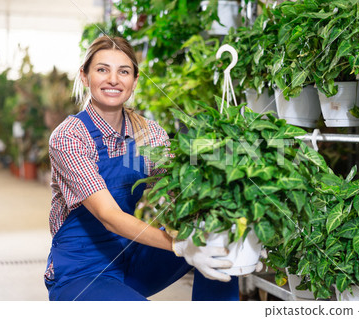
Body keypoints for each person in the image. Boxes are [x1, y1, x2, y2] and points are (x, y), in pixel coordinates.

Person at [44, 36, 240, 301]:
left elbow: (183, 192)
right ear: (85, 76)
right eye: (102, 69)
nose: (113, 79)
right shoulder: (69, 137)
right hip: (80, 273)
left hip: (129, 260)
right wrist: (181, 246)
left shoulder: (148, 134)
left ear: (134, 81)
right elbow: (109, 216)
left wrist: (238, 231)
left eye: (123, 71)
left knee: (217, 247)